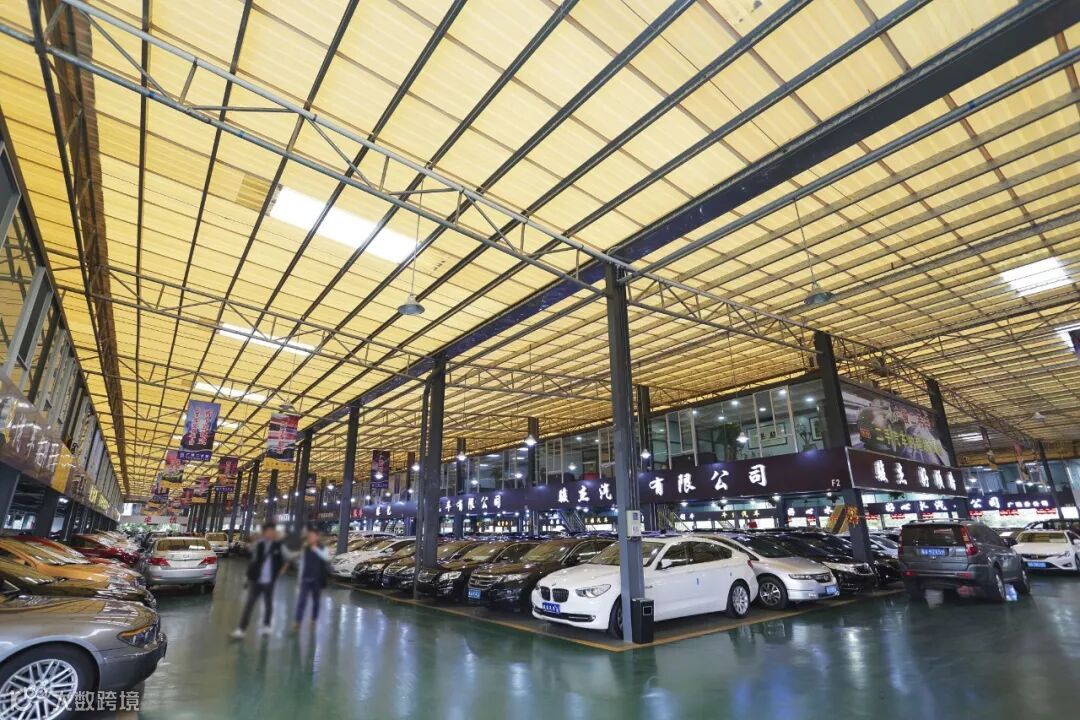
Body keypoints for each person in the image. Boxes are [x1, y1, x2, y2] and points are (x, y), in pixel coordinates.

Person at [230, 523, 285, 639]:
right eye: (269, 531)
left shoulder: (278, 546)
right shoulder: (259, 545)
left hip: (269, 581)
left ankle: (266, 626)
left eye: (272, 531)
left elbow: (282, 560)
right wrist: (247, 578)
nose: (271, 533)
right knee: (249, 604)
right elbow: (252, 561)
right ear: (264, 533)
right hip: (256, 580)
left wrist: (278, 573)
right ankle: (241, 629)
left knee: (268, 604)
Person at [292, 526, 329, 632]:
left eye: (312, 536)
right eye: (309, 536)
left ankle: (313, 619)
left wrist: (316, 549)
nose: (310, 538)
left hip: (317, 579)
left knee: (316, 601)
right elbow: (302, 565)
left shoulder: (323, 548)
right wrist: (299, 580)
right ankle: (298, 621)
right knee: (302, 601)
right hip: (305, 578)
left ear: (317, 537)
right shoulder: (305, 549)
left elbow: (326, 557)